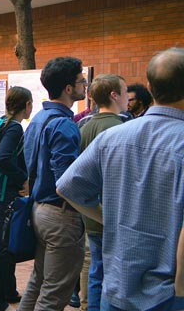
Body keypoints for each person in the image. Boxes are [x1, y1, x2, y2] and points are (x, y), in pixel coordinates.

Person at [58, 48, 184, 310]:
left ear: (149, 86)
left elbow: (67, 187)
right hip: (170, 293)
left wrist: (107, 217)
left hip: (116, 288)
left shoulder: (113, 138)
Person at [18, 57, 86, 311]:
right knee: (55, 293)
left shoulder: (38, 118)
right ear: (68, 89)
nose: (85, 85)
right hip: (60, 215)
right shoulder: (64, 125)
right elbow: (66, 180)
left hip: (39, 210)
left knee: (39, 282)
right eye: (81, 81)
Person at [74, 74, 129, 311]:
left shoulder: (84, 126)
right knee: (112, 271)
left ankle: (90, 305)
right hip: (113, 212)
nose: (128, 98)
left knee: (95, 265)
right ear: (114, 95)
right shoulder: (121, 129)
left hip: (90, 210)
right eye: (125, 92)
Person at [0, 86, 33, 311]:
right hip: (5, 193)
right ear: (26, 105)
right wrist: (23, 178)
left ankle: (9, 291)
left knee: (7, 242)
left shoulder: (3, 123)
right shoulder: (14, 128)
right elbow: (3, 158)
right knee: (3, 248)